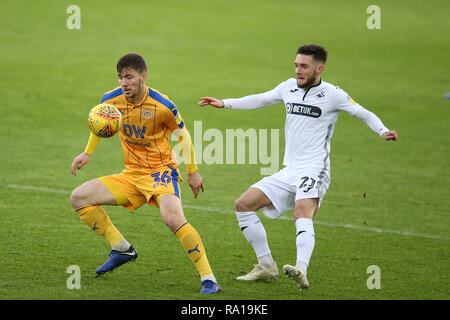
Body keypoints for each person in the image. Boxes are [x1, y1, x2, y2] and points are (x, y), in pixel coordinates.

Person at [198, 44, 397, 290]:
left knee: (302, 213)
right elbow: (260, 99)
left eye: (304, 66)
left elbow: (361, 112)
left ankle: (301, 269)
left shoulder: (333, 94)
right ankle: (266, 266)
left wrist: (383, 130)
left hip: (315, 169)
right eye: (296, 65)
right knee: (243, 205)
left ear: (319, 68)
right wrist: (224, 103)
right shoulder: (288, 87)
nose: (298, 71)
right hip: (289, 170)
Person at [70, 52, 221, 294]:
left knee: (173, 219)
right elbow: (99, 122)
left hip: (162, 173)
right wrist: (87, 153)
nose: (124, 83)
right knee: (79, 198)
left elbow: (184, 136)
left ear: (143, 77)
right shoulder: (110, 100)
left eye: (129, 77)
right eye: (120, 77)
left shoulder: (162, 105)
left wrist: (193, 172)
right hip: (131, 175)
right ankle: (121, 249)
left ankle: (209, 279)